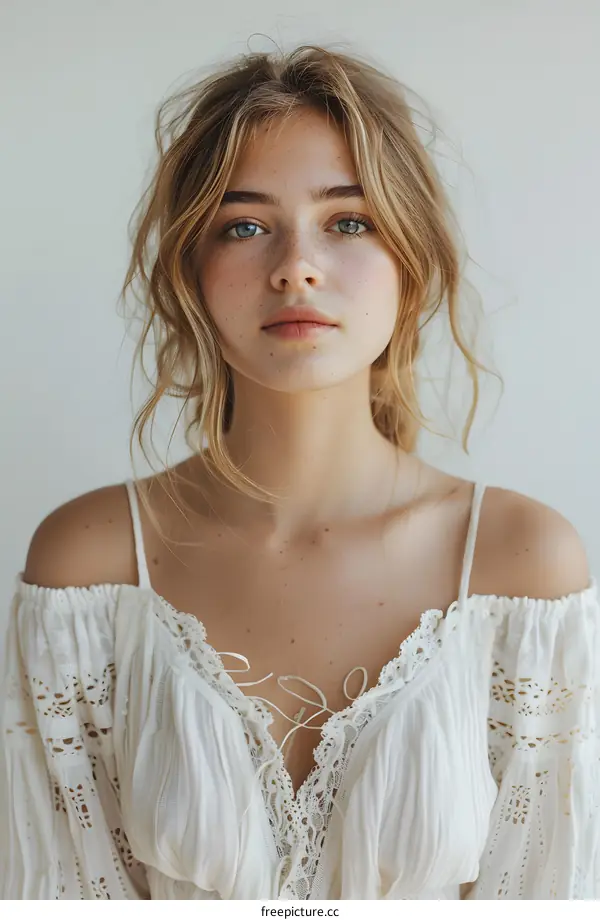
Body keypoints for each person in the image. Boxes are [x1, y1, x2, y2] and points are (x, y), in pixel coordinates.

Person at [1, 42, 598, 901]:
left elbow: (552, 893)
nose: (295, 266)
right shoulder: (90, 568)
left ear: (411, 260)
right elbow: (51, 891)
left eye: (347, 221)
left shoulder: (521, 565)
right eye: (244, 226)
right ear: (190, 274)